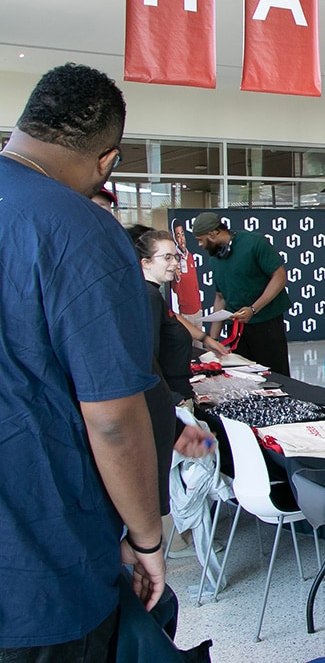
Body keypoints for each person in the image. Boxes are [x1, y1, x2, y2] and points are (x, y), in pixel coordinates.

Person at [0, 63, 165, 656]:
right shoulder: (79, 230)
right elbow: (113, 417)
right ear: (107, 161)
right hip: (39, 563)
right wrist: (145, 536)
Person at [129, 226, 221, 515]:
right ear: (145, 262)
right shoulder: (148, 297)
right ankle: (179, 531)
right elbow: (146, 356)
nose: (175, 263)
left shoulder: (153, 294)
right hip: (171, 397)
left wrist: (207, 340)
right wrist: (170, 399)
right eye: (167, 257)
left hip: (175, 393)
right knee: (179, 472)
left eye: (176, 256)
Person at [193, 211, 293, 375]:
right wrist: (213, 340)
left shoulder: (254, 243)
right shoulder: (215, 259)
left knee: (275, 375)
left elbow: (280, 276)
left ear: (212, 234)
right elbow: (220, 298)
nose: (199, 245)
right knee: (244, 376)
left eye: (200, 240)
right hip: (237, 329)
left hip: (266, 324)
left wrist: (253, 309)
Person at [171, 219, 204, 330]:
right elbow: (175, 289)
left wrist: (199, 306)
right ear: (174, 238)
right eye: (178, 236)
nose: (181, 239)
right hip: (186, 313)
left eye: (182, 235)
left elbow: (195, 283)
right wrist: (177, 277)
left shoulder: (189, 256)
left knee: (200, 346)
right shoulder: (174, 259)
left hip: (198, 310)